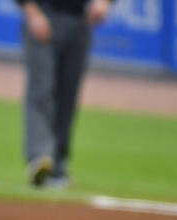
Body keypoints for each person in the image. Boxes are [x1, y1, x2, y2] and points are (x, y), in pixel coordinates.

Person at [19, 0, 112, 188]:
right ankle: (40, 158)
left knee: (68, 98)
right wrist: (33, 13)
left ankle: (58, 167)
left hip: (80, 19)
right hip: (44, 14)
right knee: (41, 91)